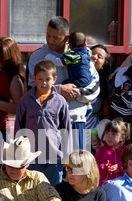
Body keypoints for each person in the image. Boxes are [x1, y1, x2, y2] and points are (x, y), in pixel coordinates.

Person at [26, 16, 99, 150]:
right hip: (49, 121)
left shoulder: (81, 55)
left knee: (77, 166)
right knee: (52, 167)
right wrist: (59, 90)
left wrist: (77, 94)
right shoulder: (37, 57)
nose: (50, 40)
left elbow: (95, 85)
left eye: (55, 37)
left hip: (76, 120)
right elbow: (31, 89)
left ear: (66, 38)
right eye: (48, 35)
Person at [14, 60, 72, 186]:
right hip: (31, 157)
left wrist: (66, 155)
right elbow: (19, 127)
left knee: (54, 191)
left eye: (47, 79)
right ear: (34, 78)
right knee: (31, 191)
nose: (44, 83)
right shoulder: (25, 101)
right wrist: (19, 152)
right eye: (40, 79)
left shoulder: (60, 101)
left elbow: (66, 129)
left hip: (54, 157)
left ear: (54, 79)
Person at [94, 118, 130, 186]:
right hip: (105, 186)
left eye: (113, 134)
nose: (109, 136)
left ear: (122, 137)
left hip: (123, 186)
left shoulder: (126, 150)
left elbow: (131, 165)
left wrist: (119, 167)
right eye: (107, 133)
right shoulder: (102, 150)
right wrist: (105, 168)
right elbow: (94, 166)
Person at [86, 44, 112, 131]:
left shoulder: (103, 86)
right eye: (92, 53)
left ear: (104, 65)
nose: (94, 57)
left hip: (91, 134)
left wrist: (100, 135)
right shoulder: (72, 76)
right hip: (69, 130)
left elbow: (106, 116)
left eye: (99, 56)